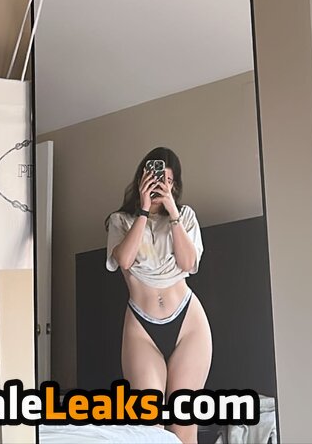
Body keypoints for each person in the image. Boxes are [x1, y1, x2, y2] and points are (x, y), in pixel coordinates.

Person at [105, 147, 212, 444]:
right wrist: (142, 210)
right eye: (154, 178)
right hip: (142, 327)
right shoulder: (120, 221)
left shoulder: (185, 216)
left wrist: (173, 213)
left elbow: (188, 263)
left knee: (184, 424)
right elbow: (124, 260)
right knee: (149, 426)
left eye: (167, 180)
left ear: (174, 185)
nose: (159, 186)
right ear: (142, 179)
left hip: (188, 323)